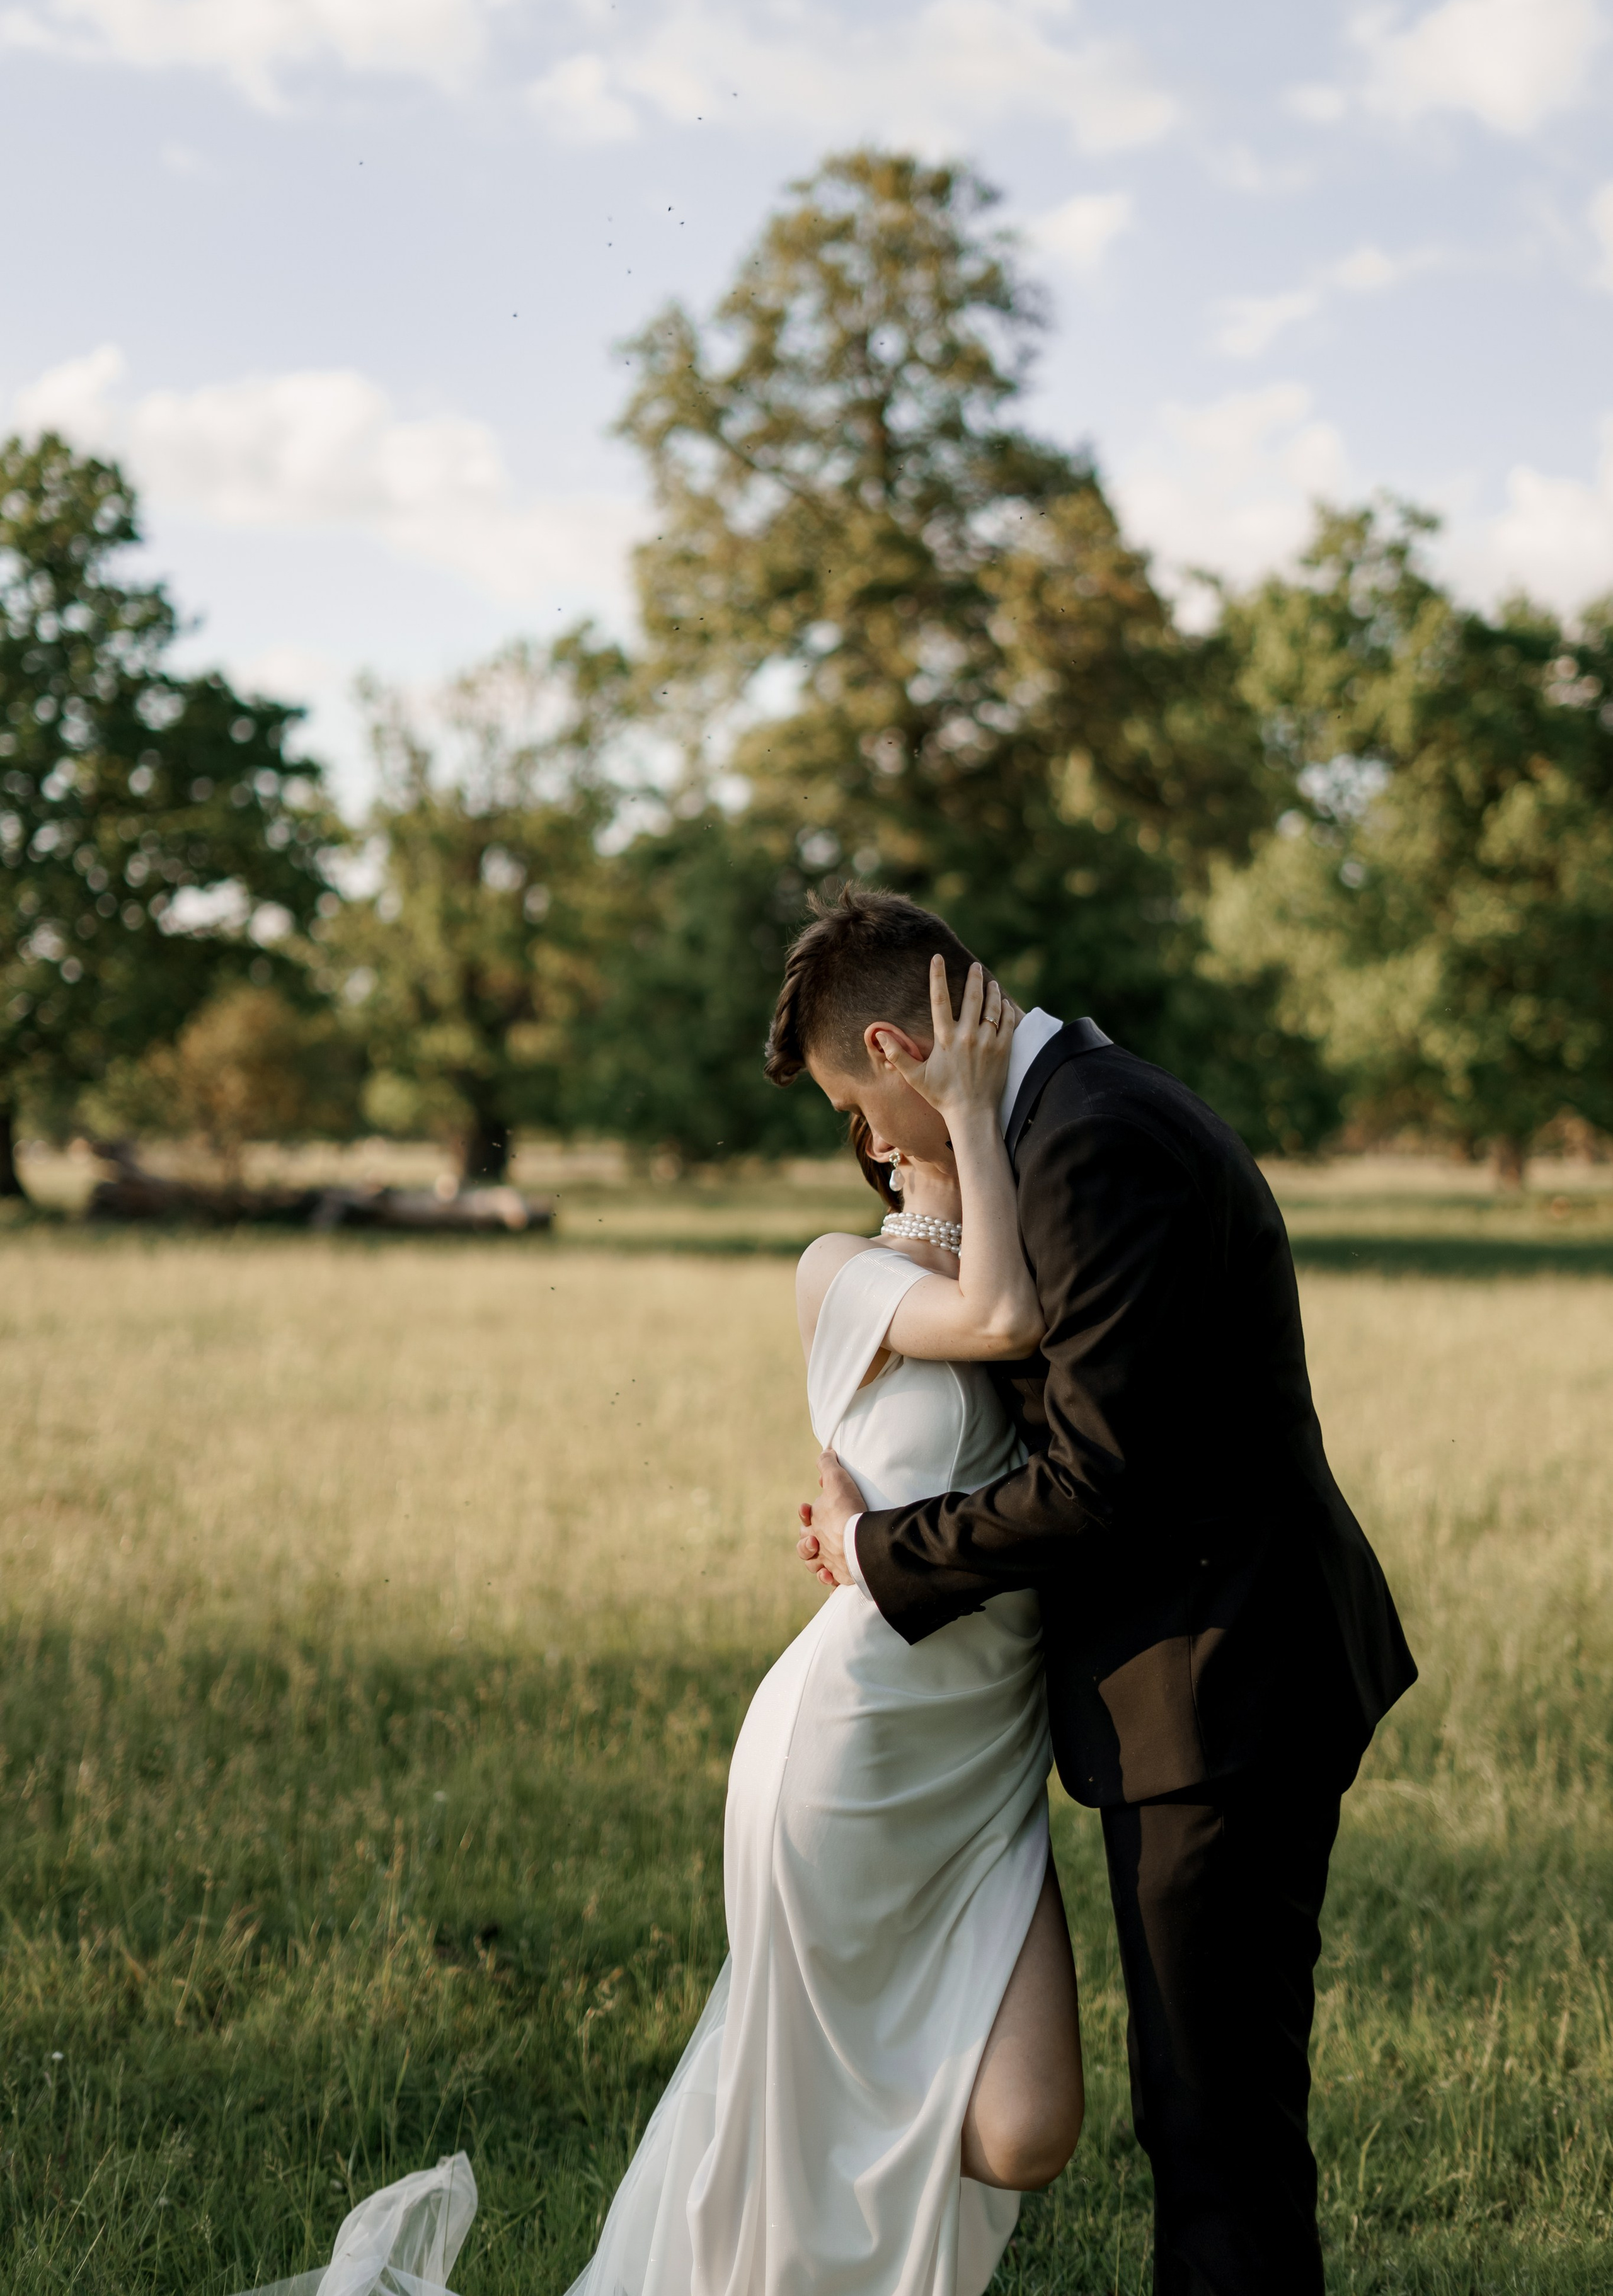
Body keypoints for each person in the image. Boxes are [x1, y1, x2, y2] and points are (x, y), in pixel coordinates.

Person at [244, 964, 1083, 2296]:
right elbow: (994, 1318)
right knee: (786, 2123)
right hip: (852, 1753)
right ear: (871, 1133)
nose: (896, 1106)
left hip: (985, 1762)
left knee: (1023, 2129)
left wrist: (986, 1133)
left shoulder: (1040, 1239)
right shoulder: (842, 1275)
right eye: (867, 1103)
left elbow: (1046, 1365)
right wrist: (971, 1116)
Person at [783, 886, 1417, 2296]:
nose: (868, 1145)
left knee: (1215, 2131)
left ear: (896, 1048)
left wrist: (877, 1551)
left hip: (1217, 1681)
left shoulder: (1090, 1141)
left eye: (856, 1103)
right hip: (1203, 1674)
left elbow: (1094, 1481)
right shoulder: (1072, 1113)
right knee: (1210, 2114)